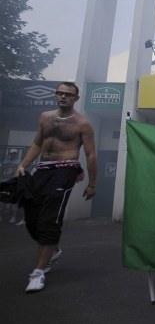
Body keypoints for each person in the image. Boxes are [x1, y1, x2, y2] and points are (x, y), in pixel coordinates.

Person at [15, 82, 97, 293]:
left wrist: (92, 184)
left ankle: (38, 273)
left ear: (75, 99)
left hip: (65, 170)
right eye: (59, 93)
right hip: (41, 170)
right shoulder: (45, 117)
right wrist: (23, 164)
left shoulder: (83, 124)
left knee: (50, 219)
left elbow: (90, 154)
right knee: (32, 217)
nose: (63, 97)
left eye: (68, 94)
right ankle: (53, 249)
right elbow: (37, 144)